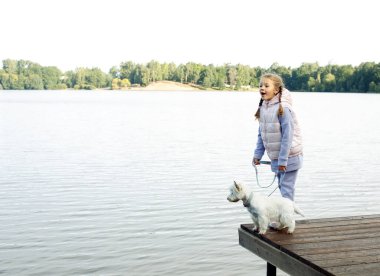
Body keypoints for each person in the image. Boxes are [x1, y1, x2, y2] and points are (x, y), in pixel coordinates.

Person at [252, 73, 303, 201]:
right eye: (260, 85)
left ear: (276, 90)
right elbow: (261, 134)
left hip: (289, 157)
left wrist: (283, 161)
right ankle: (286, 218)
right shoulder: (264, 108)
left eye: (266, 85)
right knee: (283, 188)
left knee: (286, 190)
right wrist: (258, 155)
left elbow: (288, 136)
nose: (262, 88)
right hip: (278, 158)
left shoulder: (283, 109)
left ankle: (288, 219)